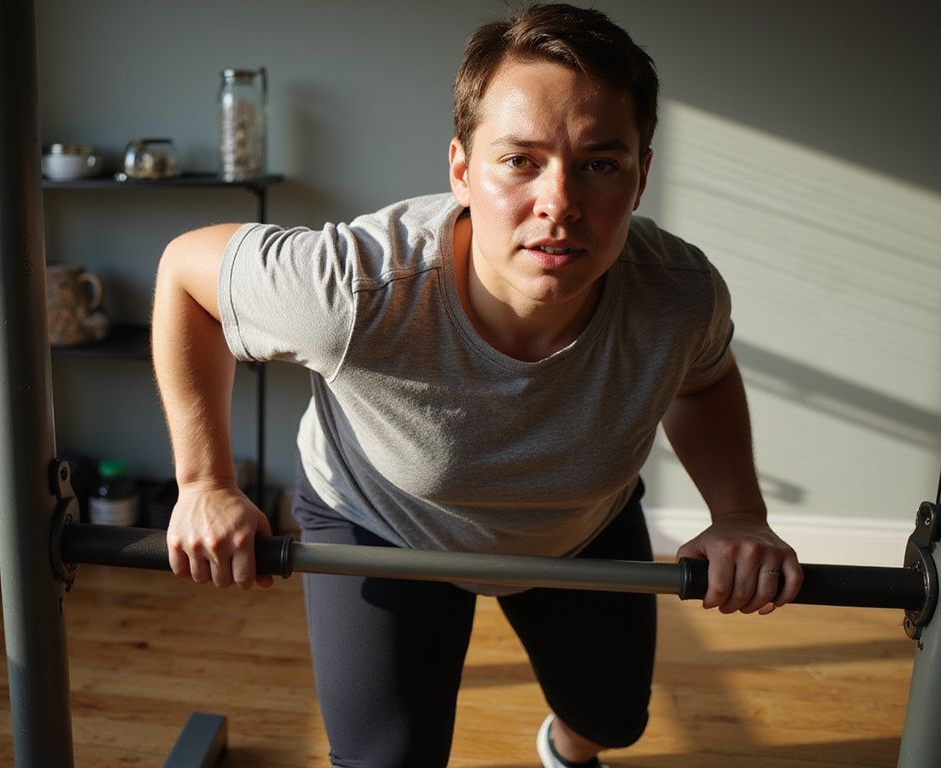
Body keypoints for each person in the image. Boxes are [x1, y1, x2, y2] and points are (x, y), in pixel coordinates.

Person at [151, 4, 804, 767]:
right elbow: (186, 272)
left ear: (640, 176)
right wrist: (203, 483)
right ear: (461, 168)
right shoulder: (355, 288)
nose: (559, 204)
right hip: (381, 518)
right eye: (520, 160)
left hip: (577, 522)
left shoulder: (678, 295)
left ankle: (565, 746)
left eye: (599, 162)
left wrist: (740, 514)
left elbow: (705, 377)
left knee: (613, 721)